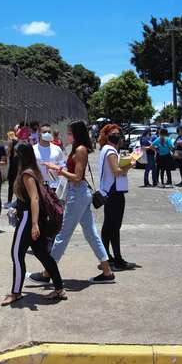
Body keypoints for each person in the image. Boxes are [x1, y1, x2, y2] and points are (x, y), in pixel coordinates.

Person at [30, 120, 115, 284]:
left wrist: (57, 169)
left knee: (63, 233)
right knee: (90, 233)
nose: (67, 135)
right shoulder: (77, 149)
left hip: (78, 193)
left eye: (69, 132)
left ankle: (48, 272)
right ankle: (107, 271)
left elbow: (77, 177)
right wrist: (58, 168)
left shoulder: (81, 150)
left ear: (76, 133)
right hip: (78, 193)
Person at [2, 142, 66, 306]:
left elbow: (34, 199)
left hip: (28, 219)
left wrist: (34, 224)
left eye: (16, 154)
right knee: (42, 253)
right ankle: (59, 289)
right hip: (31, 218)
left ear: (21, 156)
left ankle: (16, 293)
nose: (14, 156)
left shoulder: (27, 174)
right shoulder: (34, 172)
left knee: (16, 255)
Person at [98, 124, 135, 270]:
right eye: (114, 133)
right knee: (114, 227)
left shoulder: (105, 149)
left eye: (118, 133)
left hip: (109, 192)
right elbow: (116, 171)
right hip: (114, 193)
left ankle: (107, 258)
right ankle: (117, 259)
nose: (117, 135)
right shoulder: (111, 150)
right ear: (107, 135)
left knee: (108, 226)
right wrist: (130, 165)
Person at [33, 124, 66, 191]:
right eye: (44, 132)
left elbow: (63, 167)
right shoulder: (33, 149)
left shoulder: (57, 149)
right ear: (39, 133)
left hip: (54, 186)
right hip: (39, 186)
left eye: (49, 132)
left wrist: (56, 169)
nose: (47, 134)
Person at [6, 130, 19, 206]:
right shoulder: (18, 141)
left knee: (11, 183)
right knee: (17, 183)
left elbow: (8, 152)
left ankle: (9, 201)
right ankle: (18, 200)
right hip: (18, 164)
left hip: (13, 164)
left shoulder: (11, 141)